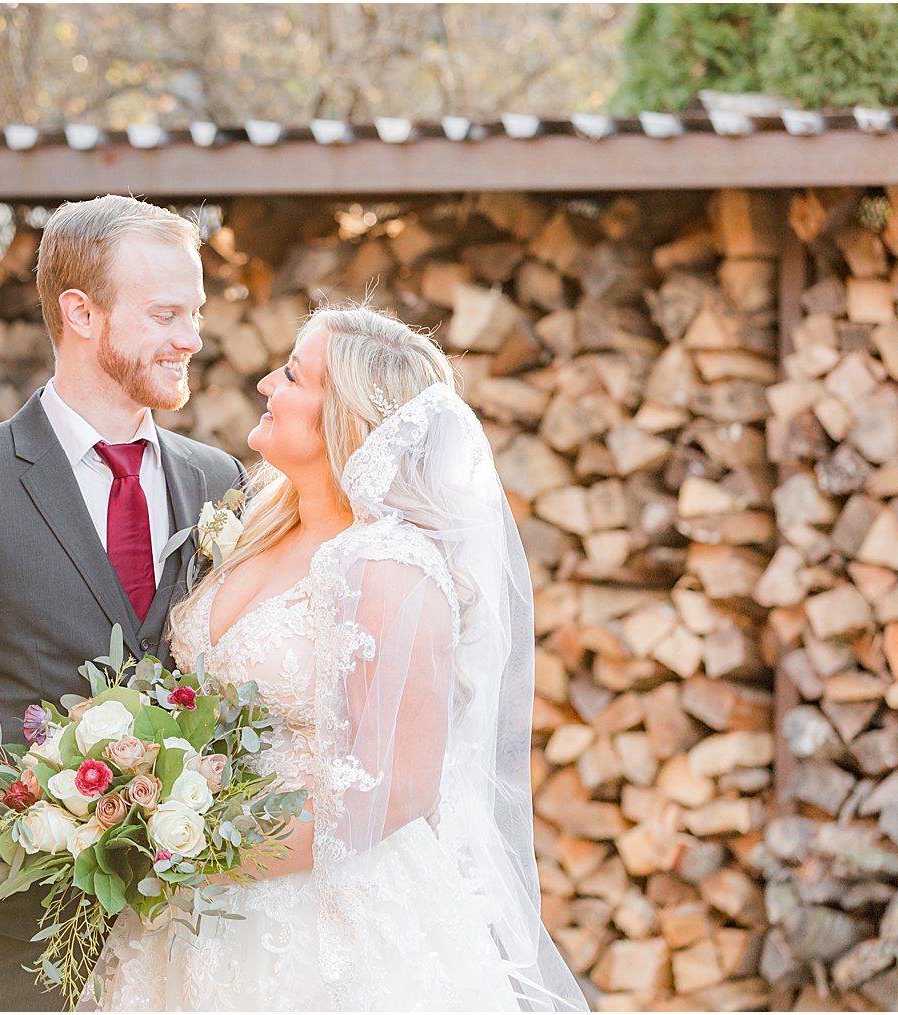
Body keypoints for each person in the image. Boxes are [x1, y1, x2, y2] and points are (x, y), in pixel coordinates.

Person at [83, 305, 588, 1011]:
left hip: (321, 924)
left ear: (344, 414)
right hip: (188, 904)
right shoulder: (255, 523)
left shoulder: (389, 564)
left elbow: (404, 787)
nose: (265, 382)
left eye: (292, 374)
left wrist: (215, 854)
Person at [0, 195, 246, 1011]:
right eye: (163, 313)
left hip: (191, 937)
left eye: (195, 312)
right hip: (11, 942)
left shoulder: (220, 482)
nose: (189, 337)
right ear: (81, 312)